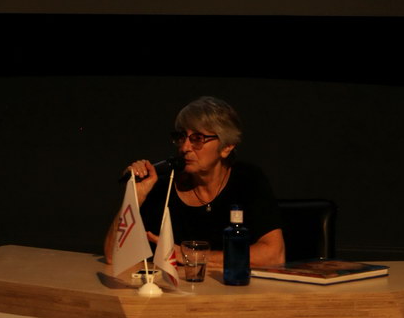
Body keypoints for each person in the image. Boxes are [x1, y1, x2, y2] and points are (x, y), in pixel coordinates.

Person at [104, 96, 284, 271]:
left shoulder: (247, 179)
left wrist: (190, 255)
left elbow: (274, 255)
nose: (184, 147)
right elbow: (113, 256)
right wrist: (135, 197)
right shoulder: (164, 186)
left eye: (197, 138)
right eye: (182, 137)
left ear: (227, 146)